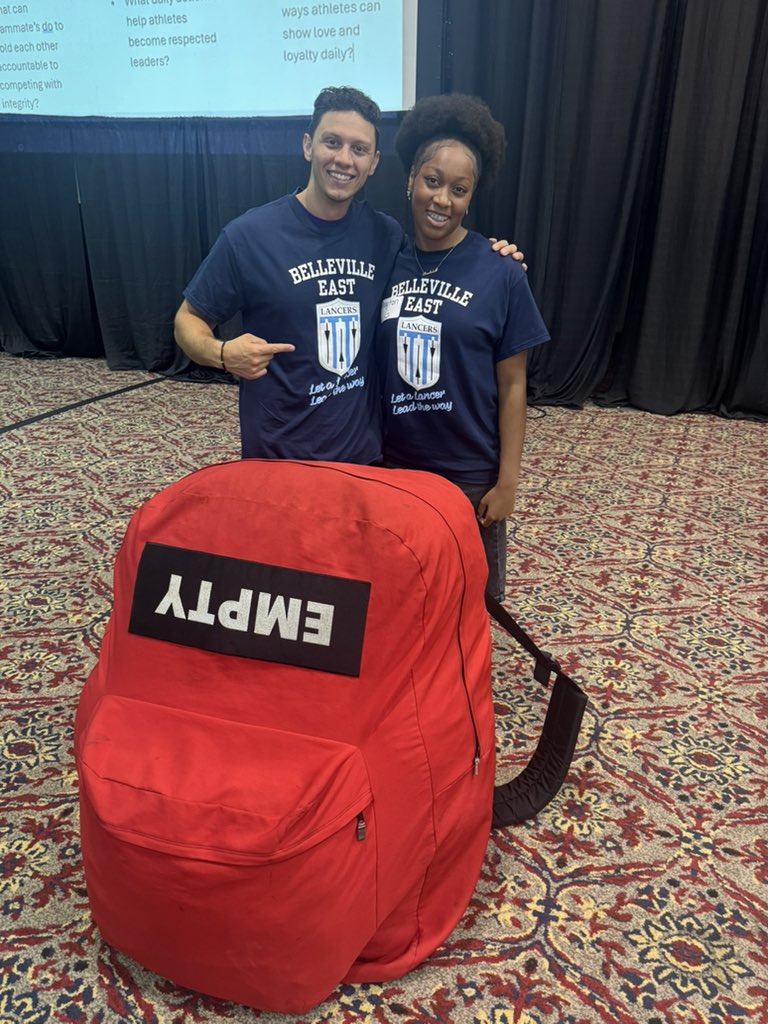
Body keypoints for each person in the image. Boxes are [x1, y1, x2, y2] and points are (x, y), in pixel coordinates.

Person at [174, 86, 523, 463]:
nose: (344, 159)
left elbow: (441, 265)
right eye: (332, 142)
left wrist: (496, 260)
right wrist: (222, 353)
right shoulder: (249, 236)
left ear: (373, 162)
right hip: (277, 460)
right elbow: (187, 320)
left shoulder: (385, 236)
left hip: (365, 462)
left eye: (358, 149)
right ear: (308, 146)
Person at [378, 94, 550, 601]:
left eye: (459, 189)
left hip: (469, 472)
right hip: (393, 465)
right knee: (401, 591)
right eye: (432, 181)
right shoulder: (384, 257)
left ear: (471, 198)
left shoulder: (500, 272)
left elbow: (513, 383)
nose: (442, 200)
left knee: (472, 602)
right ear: (410, 179)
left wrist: (508, 481)